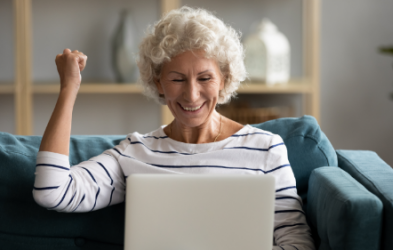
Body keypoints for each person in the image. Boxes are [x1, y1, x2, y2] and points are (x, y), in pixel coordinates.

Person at [33, 6, 315, 249]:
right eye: (178, 79)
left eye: (205, 78)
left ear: (225, 79)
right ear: (158, 83)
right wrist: (69, 88)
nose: (191, 95)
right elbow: (52, 191)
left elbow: (298, 244)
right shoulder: (135, 153)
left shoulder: (265, 149)